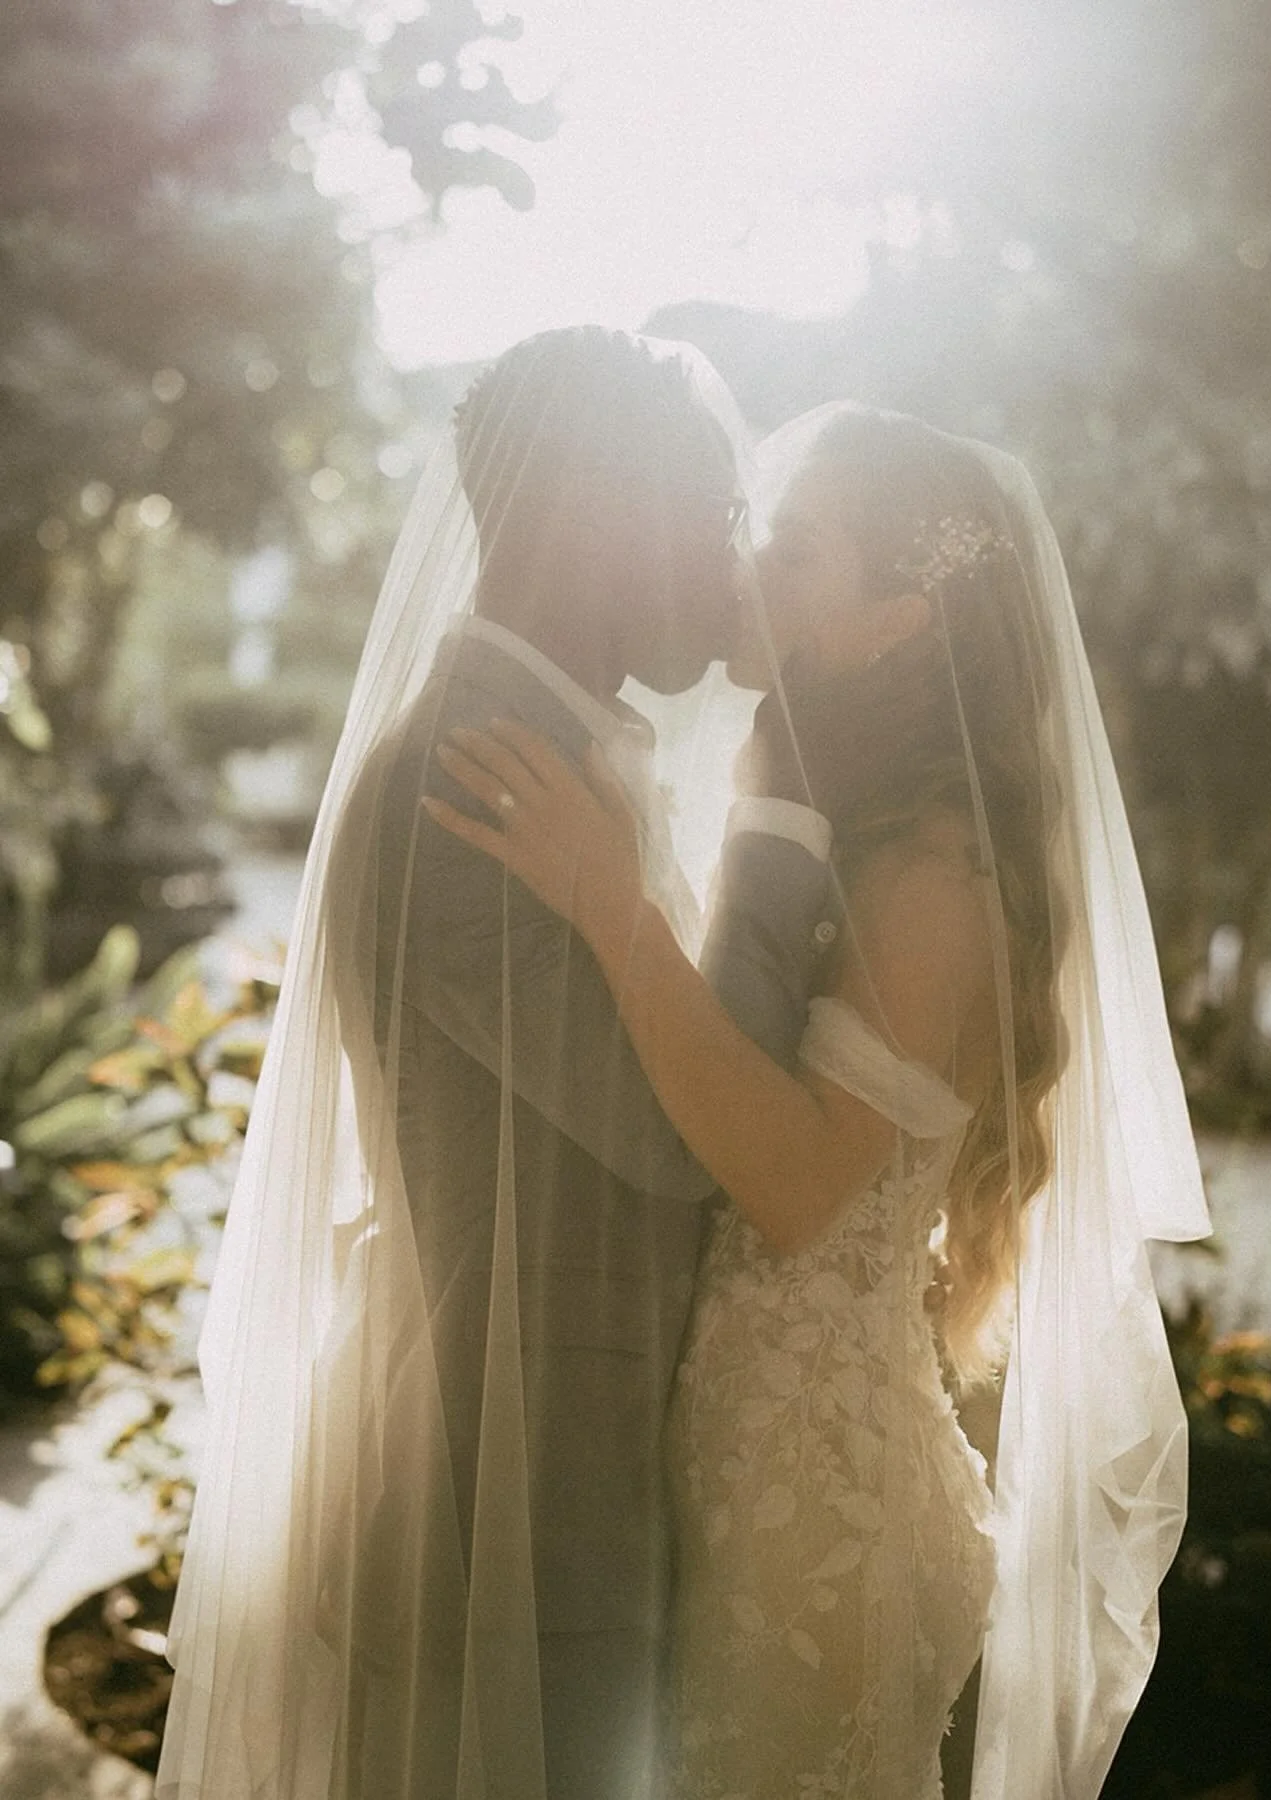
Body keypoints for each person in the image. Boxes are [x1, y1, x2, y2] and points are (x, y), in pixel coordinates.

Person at [427, 403, 1213, 1799]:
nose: (743, 568)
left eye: (792, 553)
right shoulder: (833, 816)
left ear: (898, 619)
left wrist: (613, 908)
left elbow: (790, 1191)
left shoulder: (932, 874)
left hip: (817, 1513)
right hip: (762, 1458)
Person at [155, 330, 870, 1800]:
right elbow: (684, 1130)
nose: (732, 560)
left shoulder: (537, 748)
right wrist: (783, 808)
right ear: (604, 514)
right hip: (530, 1513)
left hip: (581, 1497)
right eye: (714, 513)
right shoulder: (470, 782)